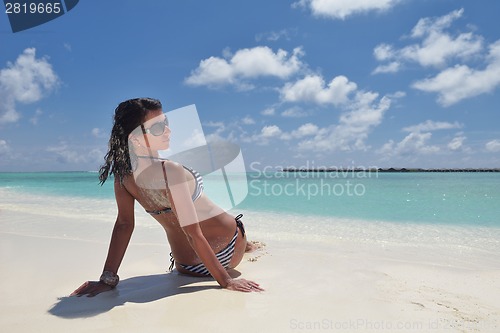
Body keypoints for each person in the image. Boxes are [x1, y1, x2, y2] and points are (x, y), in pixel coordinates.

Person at [72, 98, 263, 296]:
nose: (167, 131)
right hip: (227, 252)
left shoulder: (123, 177)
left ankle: (248, 246)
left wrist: (107, 278)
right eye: (157, 128)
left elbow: (124, 225)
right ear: (135, 139)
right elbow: (193, 233)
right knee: (234, 229)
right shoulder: (170, 171)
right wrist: (226, 281)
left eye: (166, 124)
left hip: (186, 266)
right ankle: (247, 245)